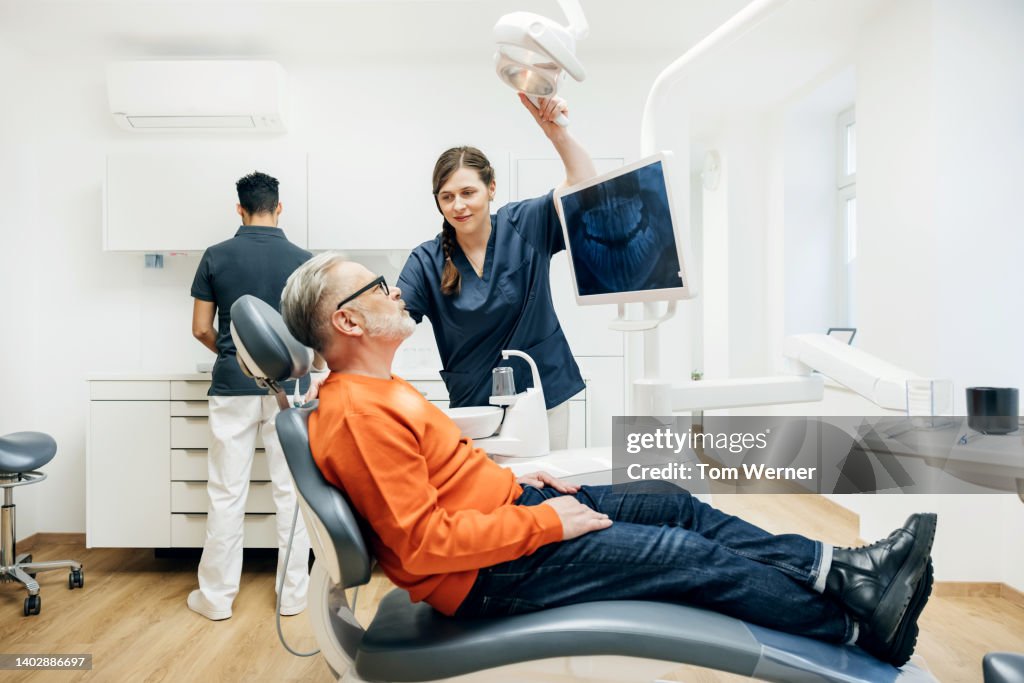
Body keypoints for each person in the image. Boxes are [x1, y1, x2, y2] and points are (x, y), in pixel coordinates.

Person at [280, 252, 938, 668]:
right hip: (485, 574)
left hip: (509, 520)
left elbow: (442, 480)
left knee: (667, 498)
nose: (395, 291)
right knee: (682, 554)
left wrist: (517, 482)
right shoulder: (357, 414)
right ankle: (856, 626)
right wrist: (549, 524)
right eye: (376, 286)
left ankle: (843, 569)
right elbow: (422, 548)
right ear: (349, 322)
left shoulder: (378, 388)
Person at [395, 94, 596, 451]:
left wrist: (557, 135)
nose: (458, 205)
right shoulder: (426, 261)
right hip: (475, 408)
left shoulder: (526, 224)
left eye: (468, 192)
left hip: (543, 391)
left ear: (491, 188)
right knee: (491, 501)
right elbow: (390, 321)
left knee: (551, 489)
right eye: (447, 196)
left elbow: (584, 189)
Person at [188, 171, 320, 620]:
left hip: (233, 386)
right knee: (292, 493)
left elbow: (202, 328)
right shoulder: (305, 261)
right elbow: (314, 337)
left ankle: (217, 599)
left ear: (239, 208)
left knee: (226, 493)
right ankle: (293, 598)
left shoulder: (216, 256)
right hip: (292, 391)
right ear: (279, 207)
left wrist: (239, 354)